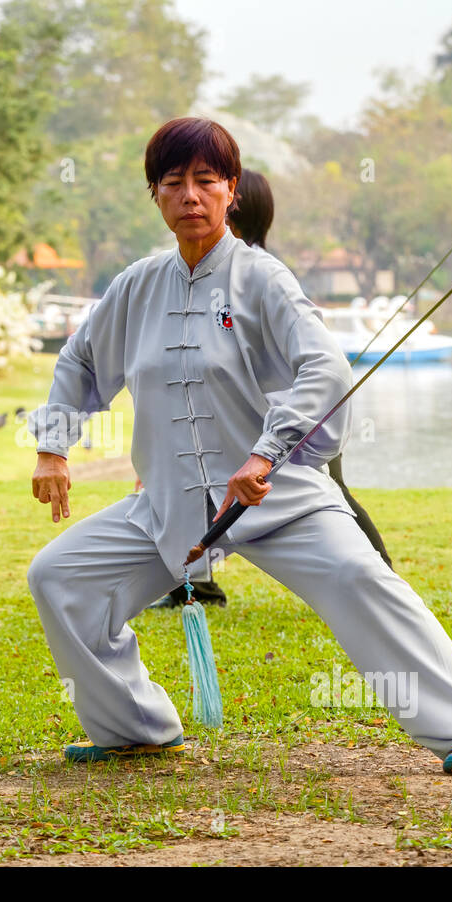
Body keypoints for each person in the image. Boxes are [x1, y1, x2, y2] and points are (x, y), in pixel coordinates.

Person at [27, 117, 452, 774]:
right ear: (156, 196)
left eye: (206, 181)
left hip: (275, 495)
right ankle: (131, 725)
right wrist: (53, 449)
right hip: (167, 505)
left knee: (359, 575)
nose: (191, 196)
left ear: (232, 190)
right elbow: (81, 363)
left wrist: (266, 453)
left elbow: (326, 368)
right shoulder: (137, 286)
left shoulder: (263, 279)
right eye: (174, 183)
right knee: (59, 577)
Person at [143, 169, 393, 610]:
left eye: (211, 188)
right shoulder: (204, 267)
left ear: (235, 205)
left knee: (328, 493)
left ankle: (380, 577)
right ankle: (193, 585)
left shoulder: (256, 272)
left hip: (287, 422)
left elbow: (309, 359)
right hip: (248, 422)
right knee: (186, 487)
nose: (195, 200)